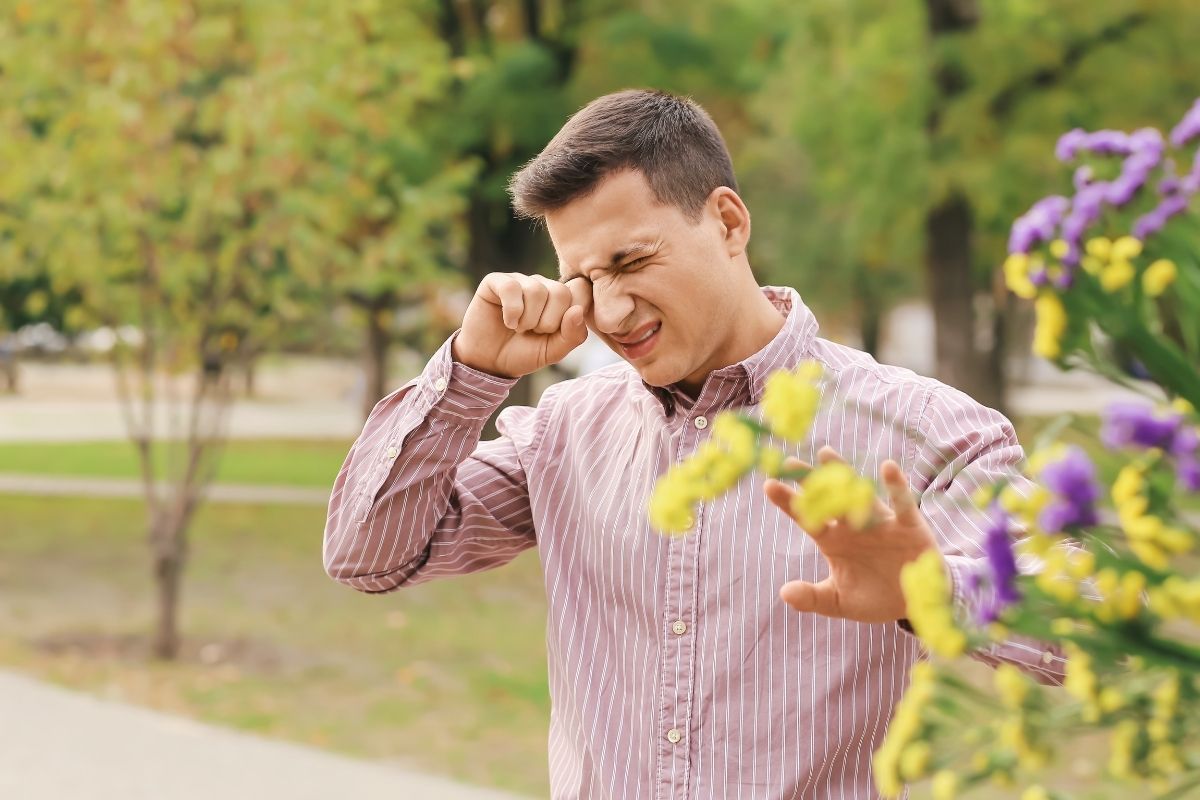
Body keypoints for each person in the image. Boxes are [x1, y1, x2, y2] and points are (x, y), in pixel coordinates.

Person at [324, 89, 1063, 799]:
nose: (609, 310)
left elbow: (1090, 625)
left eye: (630, 262)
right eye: (581, 278)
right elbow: (368, 555)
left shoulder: (924, 427)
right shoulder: (562, 431)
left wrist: (928, 592)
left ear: (729, 223)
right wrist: (471, 373)